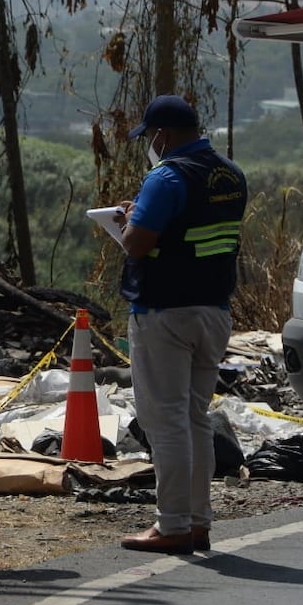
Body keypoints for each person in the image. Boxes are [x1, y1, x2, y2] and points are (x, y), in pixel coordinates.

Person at [115, 95, 247, 555]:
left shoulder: (167, 176)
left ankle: (171, 525)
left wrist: (129, 220)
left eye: (152, 137)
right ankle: (197, 522)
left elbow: (136, 244)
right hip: (214, 312)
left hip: (164, 313)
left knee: (164, 421)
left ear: (163, 136)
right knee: (194, 418)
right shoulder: (230, 175)